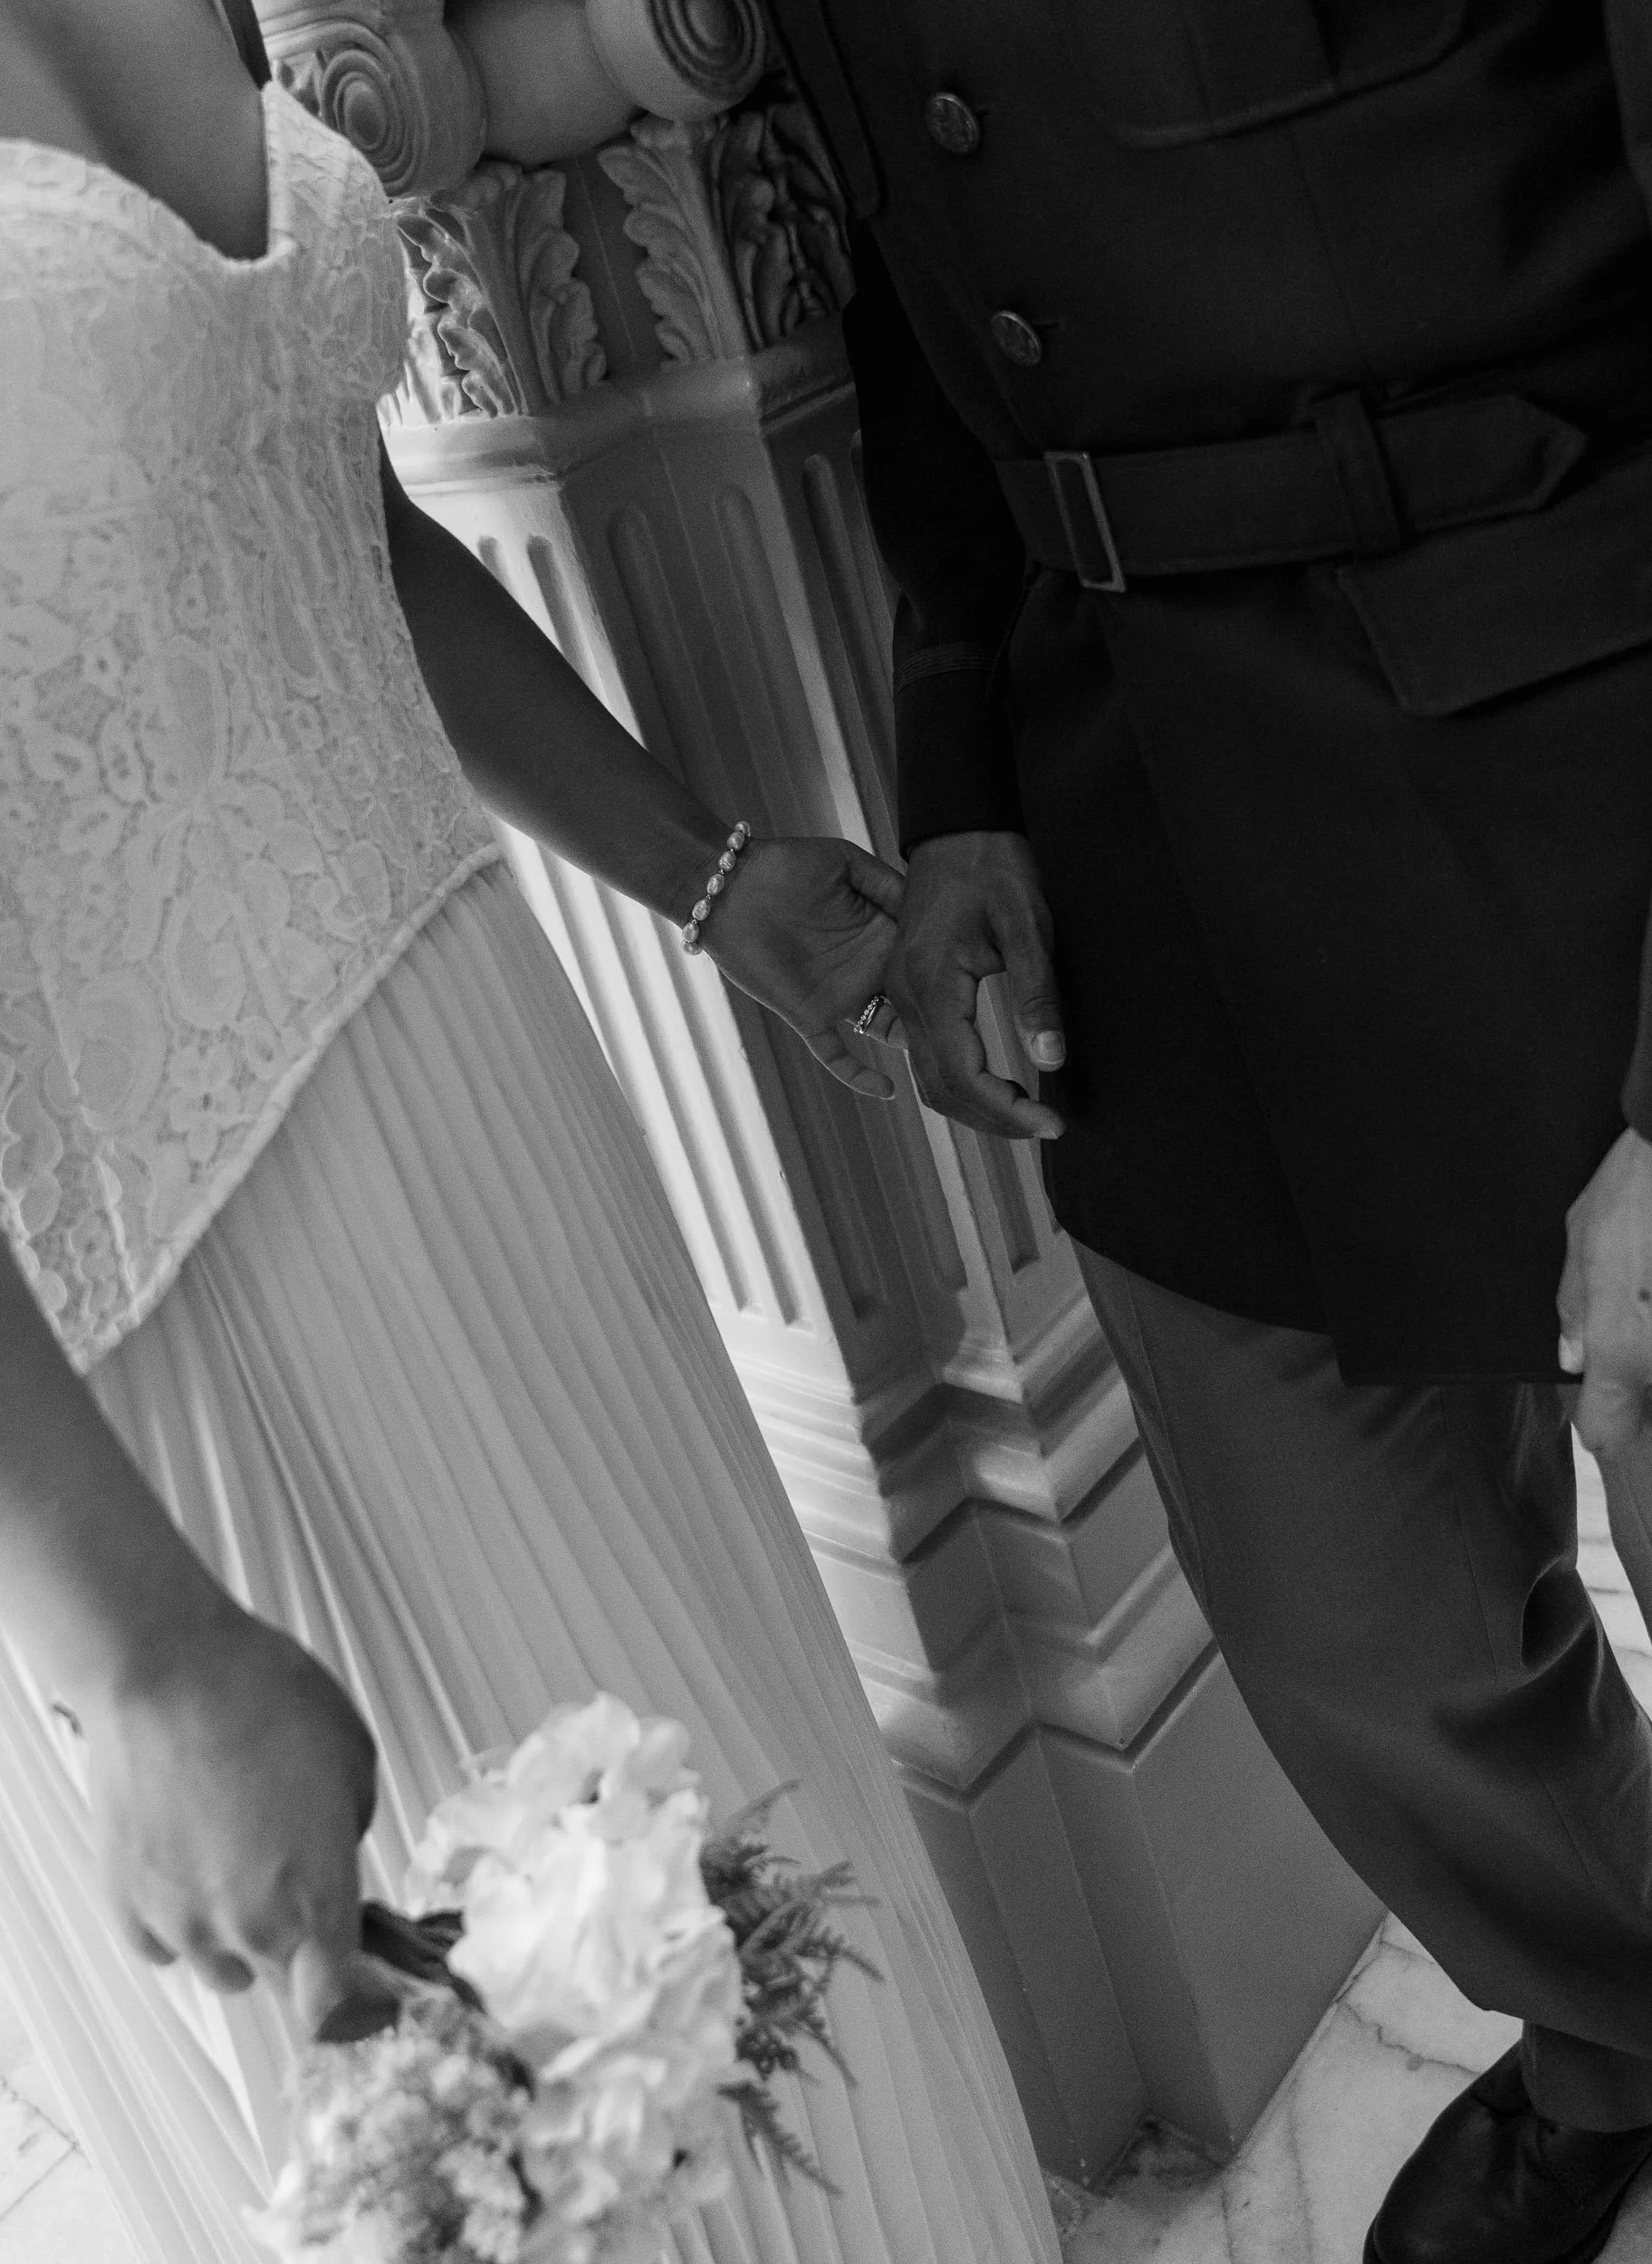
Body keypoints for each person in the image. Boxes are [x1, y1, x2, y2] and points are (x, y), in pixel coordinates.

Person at [0, 4, 1059, 2261]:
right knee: (504, 2153)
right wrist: (141, 1649)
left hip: (484, 1112)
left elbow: (328, 530)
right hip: (145, 1352)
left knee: (760, 1971)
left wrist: (704, 871)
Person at [753, 1, 1652, 2258]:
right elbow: (920, 293)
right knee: (1353, 1632)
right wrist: (955, 783)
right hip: (1143, 820)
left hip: (1629, 782)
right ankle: (1651, 2020)